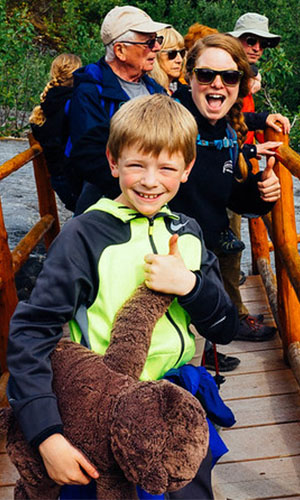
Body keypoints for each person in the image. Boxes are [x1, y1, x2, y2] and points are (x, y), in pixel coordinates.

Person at [7, 94, 239, 499]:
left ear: (187, 170)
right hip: (103, 410)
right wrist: (46, 434)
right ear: (113, 162)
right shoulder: (84, 235)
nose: (150, 181)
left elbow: (225, 325)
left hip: (177, 404)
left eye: (167, 168)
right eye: (136, 165)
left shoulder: (188, 233)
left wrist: (190, 286)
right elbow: (31, 332)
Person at [170, 33, 282, 343]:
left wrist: (261, 191)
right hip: (159, 257)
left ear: (240, 84)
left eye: (230, 76)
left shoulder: (227, 132)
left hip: (202, 257)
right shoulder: (166, 121)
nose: (218, 83)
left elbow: (229, 195)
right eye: (206, 75)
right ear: (190, 76)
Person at [64, 5, 170, 215]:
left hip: (154, 198)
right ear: (120, 50)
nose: (156, 48)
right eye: (148, 42)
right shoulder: (90, 92)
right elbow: (91, 157)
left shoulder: (154, 89)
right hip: (108, 204)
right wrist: (140, 193)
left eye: (157, 40)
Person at [225, 13, 291, 333]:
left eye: (262, 43)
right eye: (250, 40)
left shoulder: (243, 73)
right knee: (228, 241)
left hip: (238, 162)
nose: (257, 47)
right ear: (236, 40)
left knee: (231, 239)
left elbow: (241, 117)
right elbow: (226, 119)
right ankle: (234, 317)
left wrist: (261, 119)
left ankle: (233, 309)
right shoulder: (226, 74)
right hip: (228, 165)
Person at [29, 53, 82, 212]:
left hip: (57, 177)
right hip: (74, 176)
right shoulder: (77, 102)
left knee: (82, 217)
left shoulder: (47, 103)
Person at [149, 27, 186, 95]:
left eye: (182, 53)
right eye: (172, 54)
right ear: (156, 55)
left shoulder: (184, 92)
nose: (179, 60)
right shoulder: (148, 92)